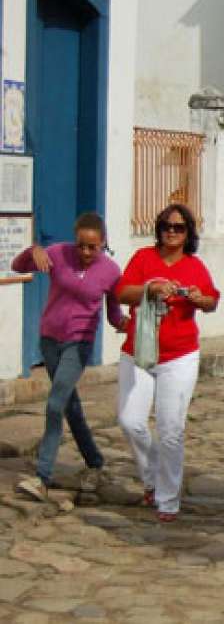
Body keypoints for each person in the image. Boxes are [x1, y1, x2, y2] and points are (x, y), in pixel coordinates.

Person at [115, 204, 220, 522]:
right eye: (166, 226)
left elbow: (212, 299)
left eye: (178, 227)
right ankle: (152, 476)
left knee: (170, 429)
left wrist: (202, 300)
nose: (171, 232)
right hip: (139, 352)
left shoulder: (194, 265)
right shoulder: (143, 259)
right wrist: (150, 288)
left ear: (188, 233)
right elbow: (122, 293)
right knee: (130, 421)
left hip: (179, 355)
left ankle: (168, 498)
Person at [13, 212, 126, 502]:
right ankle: (95, 461)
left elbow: (114, 312)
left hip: (79, 344)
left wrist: (128, 325)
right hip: (50, 341)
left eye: (93, 247)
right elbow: (18, 266)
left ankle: (42, 476)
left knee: (55, 404)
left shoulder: (111, 272)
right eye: (81, 246)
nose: (86, 252)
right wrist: (33, 250)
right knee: (69, 406)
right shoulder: (58, 254)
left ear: (103, 243)